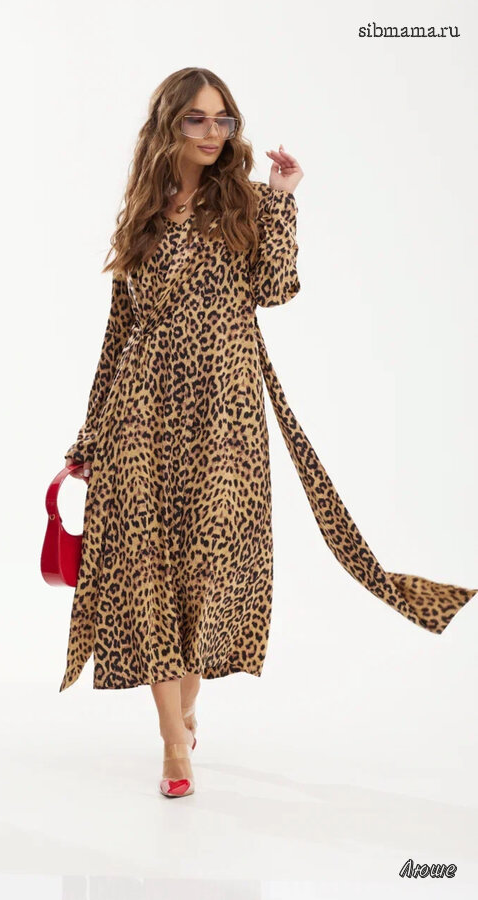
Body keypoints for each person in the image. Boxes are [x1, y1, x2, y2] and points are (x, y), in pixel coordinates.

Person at [60, 67, 476, 799]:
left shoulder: (244, 203)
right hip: (140, 416)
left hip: (225, 419)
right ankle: (173, 742)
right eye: (196, 119)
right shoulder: (142, 213)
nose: (213, 132)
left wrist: (283, 197)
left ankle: (186, 708)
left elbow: (275, 289)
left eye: (223, 119)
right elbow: (116, 334)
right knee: (147, 575)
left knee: (210, 574)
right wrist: (89, 438)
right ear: (167, 126)